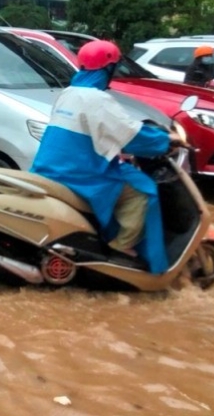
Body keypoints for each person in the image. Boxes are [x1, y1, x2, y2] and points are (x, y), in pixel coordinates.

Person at [30, 40, 183, 274]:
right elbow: (132, 135)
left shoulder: (68, 93)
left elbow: (88, 132)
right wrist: (167, 141)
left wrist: (116, 149)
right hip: (80, 174)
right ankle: (122, 249)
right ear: (108, 69)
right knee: (143, 190)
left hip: (50, 168)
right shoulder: (98, 99)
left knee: (125, 176)